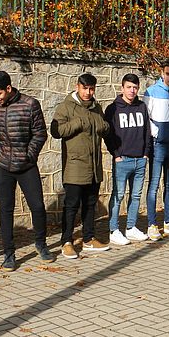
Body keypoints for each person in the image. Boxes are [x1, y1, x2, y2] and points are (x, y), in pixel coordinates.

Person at [0, 70, 50, 270]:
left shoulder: (30, 104)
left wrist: (29, 155)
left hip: (26, 165)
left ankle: (41, 243)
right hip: (2, 164)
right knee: (6, 209)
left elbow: (40, 133)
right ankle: (8, 254)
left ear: (9, 88)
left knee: (37, 206)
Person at [51, 73, 111, 258]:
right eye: (85, 88)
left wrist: (102, 126)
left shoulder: (96, 107)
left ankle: (88, 239)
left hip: (94, 166)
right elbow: (56, 131)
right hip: (75, 166)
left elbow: (106, 128)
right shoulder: (66, 107)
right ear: (77, 86)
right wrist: (77, 123)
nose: (88, 92)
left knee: (90, 204)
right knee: (71, 205)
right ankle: (66, 242)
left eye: (91, 89)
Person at [104, 73, 152, 245]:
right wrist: (116, 155)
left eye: (135, 87)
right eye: (129, 87)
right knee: (118, 195)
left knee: (136, 195)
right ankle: (113, 229)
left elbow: (147, 130)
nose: (132, 91)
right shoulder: (113, 109)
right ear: (122, 88)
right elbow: (108, 134)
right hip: (122, 160)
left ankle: (131, 228)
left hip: (140, 159)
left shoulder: (141, 107)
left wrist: (146, 153)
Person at [142, 60, 169, 240]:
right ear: (162, 73)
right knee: (153, 184)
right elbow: (146, 118)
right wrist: (156, 133)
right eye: (168, 74)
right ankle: (152, 225)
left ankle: (168, 222)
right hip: (158, 144)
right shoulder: (151, 91)